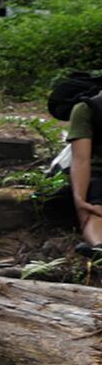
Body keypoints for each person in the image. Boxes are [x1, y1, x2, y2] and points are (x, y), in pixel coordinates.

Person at [71, 94, 102, 258]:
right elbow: (81, 159)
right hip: (98, 174)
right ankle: (99, 247)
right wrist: (80, 201)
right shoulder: (87, 110)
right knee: (96, 211)